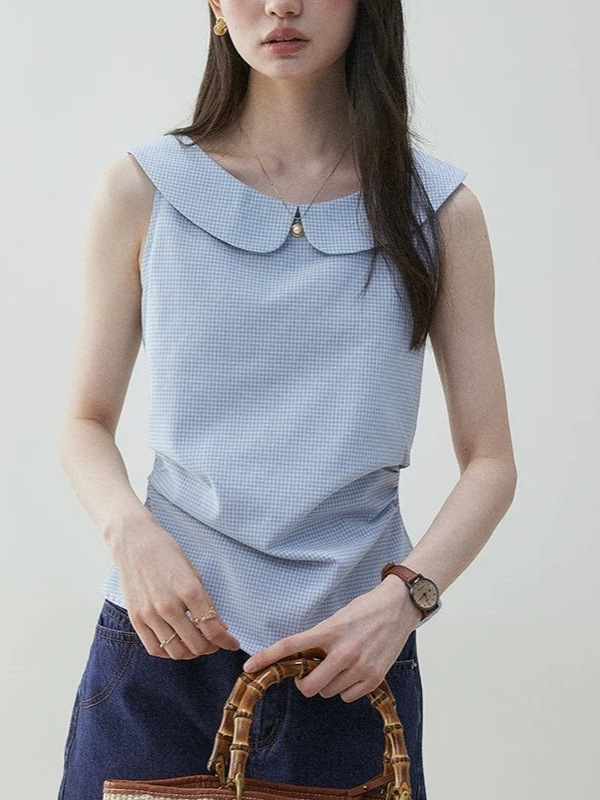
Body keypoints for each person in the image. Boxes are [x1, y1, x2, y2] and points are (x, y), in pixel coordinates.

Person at [56, 2, 517, 799]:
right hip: (162, 655)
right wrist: (132, 535)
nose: (280, 5)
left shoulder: (439, 211)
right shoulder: (142, 190)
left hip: (353, 667)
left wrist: (404, 601)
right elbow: (83, 421)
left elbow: (492, 462)